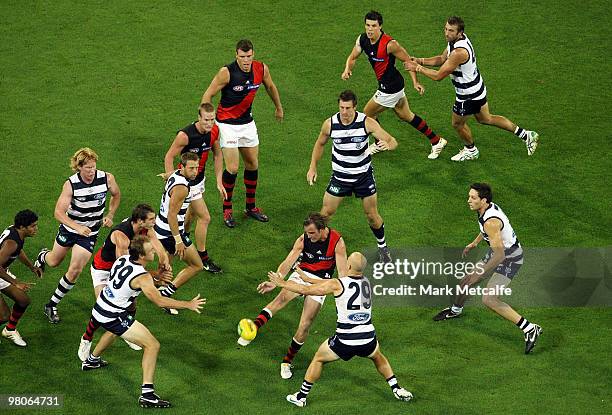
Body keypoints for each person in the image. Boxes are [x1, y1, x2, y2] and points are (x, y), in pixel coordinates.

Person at [266, 252, 413, 407]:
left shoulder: (338, 284)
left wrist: (282, 283)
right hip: (368, 337)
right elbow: (327, 282)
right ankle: (396, 388)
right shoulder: (368, 282)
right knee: (377, 356)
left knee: (318, 359)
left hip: (346, 339)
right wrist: (307, 278)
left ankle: (301, 397)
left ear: (348, 266)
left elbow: (306, 290)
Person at [80, 235, 205, 408]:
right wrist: (188, 304)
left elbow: (133, 278)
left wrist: (156, 277)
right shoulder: (142, 277)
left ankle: (92, 360)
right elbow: (160, 301)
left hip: (101, 306)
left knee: (115, 331)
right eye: (150, 249)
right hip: (113, 314)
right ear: (141, 255)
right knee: (152, 345)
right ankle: (147, 394)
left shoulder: (123, 259)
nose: (154, 250)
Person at [405, 16, 540, 161]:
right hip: (477, 88)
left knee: (457, 124)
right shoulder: (456, 41)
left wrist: (418, 68)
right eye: (445, 29)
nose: (446, 33)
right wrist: (420, 60)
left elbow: (438, 76)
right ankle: (526, 135)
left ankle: (471, 150)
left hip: (467, 95)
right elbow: (442, 59)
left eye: (451, 30)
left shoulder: (459, 52)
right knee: (486, 118)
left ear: (459, 32)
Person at [433, 183, 543, 354]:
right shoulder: (486, 210)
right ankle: (455, 311)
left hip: (510, 259)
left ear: (483, 200)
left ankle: (529, 328)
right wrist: (475, 242)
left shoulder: (491, 222)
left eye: (473, 197)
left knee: (489, 299)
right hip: (498, 252)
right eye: (469, 196)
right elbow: (488, 233)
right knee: (466, 281)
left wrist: (482, 273)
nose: (468, 200)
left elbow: (500, 256)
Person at [238, 212, 347, 380]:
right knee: (280, 299)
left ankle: (287, 361)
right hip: (301, 273)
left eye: (312, 233)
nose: (308, 236)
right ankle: (253, 329)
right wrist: (277, 280)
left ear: (322, 229)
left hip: (320, 282)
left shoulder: (337, 243)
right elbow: (288, 261)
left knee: (305, 324)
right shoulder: (303, 239)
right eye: (307, 232)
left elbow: (343, 274)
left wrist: (339, 292)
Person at [342, 10, 447, 160]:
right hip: (392, 85)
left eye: (373, 26)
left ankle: (379, 142)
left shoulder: (390, 44)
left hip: (391, 87)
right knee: (406, 115)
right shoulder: (363, 40)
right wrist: (348, 69)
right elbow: (352, 57)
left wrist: (415, 81)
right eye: (367, 25)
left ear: (380, 26)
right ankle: (437, 141)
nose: (370, 29)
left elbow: (408, 61)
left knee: (368, 113)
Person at [307, 90, 397, 263]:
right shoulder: (330, 124)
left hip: (363, 176)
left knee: (372, 215)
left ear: (355, 107)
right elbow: (320, 144)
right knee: (325, 214)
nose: (344, 112)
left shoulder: (366, 123)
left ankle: (383, 248)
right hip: (340, 176)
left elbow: (392, 140)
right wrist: (313, 167)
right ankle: (312, 249)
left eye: (348, 108)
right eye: (341, 107)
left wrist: (388, 144)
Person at [201, 39, 284, 228]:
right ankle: (227, 209)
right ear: (236, 56)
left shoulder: (261, 69)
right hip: (226, 124)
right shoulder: (226, 72)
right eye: (242, 57)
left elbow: (270, 87)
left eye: (249, 56)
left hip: (247, 123)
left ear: (253, 54)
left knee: (253, 164)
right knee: (232, 168)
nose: (246, 60)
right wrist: (207, 120)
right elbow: (208, 94)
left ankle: (250, 207)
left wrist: (278, 107)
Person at [35, 148, 121, 323]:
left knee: (75, 270)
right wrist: (77, 226)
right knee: (53, 261)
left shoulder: (106, 178)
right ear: (79, 167)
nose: (91, 171)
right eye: (87, 168)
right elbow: (58, 213)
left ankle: (51, 304)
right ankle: (43, 256)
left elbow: (116, 195)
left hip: (89, 234)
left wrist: (110, 215)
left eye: (93, 167)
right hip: (69, 229)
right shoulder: (71, 184)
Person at [86, 204, 172, 352]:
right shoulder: (122, 236)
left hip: (121, 269)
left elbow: (156, 244)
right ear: (140, 220)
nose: (154, 222)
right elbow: (129, 269)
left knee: (131, 305)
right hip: (104, 269)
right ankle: (86, 339)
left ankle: (127, 334)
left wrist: (164, 260)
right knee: (103, 307)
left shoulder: (146, 228)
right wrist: (154, 277)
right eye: (151, 219)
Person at [161, 103, 225, 273]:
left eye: (212, 120)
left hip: (199, 179)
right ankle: (203, 258)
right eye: (206, 120)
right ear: (199, 117)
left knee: (191, 214)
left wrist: (219, 180)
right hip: (187, 183)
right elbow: (169, 156)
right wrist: (172, 179)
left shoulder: (214, 131)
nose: (209, 124)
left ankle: (184, 235)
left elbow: (218, 155)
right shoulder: (185, 135)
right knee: (205, 217)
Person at [154, 152, 204, 314]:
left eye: (197, 168)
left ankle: (153, 290)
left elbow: (171, 175)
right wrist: (178, 240)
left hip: (161, 228)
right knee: (197, 265)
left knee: (164, 269)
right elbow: (172, 215)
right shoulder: (182, 188)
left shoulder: (175, 175)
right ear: (182, 167)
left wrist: (166, 175)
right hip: (170, 232)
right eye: (191, 168)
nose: (195, 171)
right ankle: (165, 295)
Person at [0, 210, 41, 347]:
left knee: (23, 300)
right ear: (23, 227)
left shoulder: (16, 233)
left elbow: (18, 251)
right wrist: (16, 282)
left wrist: (31, 267)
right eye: (33, 226)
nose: (36, 229)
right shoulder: (11, 243)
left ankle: (10, 330)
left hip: (2, 271)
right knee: (3, 315)